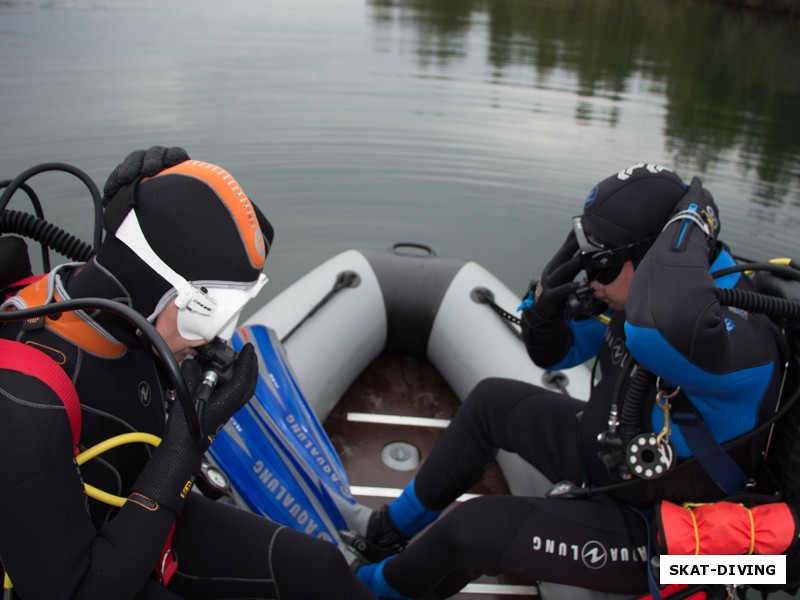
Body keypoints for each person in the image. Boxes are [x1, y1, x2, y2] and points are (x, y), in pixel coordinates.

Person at [355, 164, 784, 599]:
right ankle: (383, 532)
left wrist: (694, 215)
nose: (592, 279)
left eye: (604, 263)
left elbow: (661, 326)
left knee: (473, 529)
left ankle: (357, 590)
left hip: (664, 536)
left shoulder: (732, 341)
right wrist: (562, 276)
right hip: (612, 461)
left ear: (656, 262)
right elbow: (554, 350)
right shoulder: (638, 289)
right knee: (492, 402)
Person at [0, 147, 375, 600]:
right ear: (163, 289)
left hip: (146, 516)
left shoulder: (128, 312)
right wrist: (188, 443)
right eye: (210, 315)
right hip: (85, 577)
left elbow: (206, 235)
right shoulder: (25, 401)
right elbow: (75, 590)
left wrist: (164, 192)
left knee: (320, 569)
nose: (212, 338)